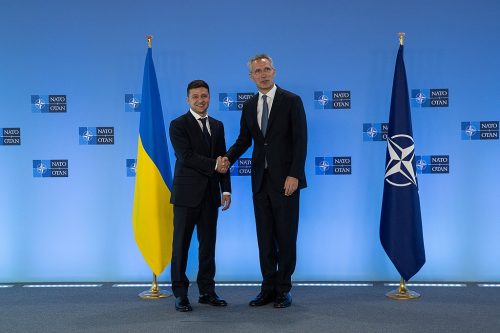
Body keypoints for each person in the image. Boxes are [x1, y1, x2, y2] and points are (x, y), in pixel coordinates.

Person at [224, 54, 307, 308]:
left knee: (286, 237)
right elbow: (244, 141)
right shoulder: (249, 106)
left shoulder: (291, 101)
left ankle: (284, 289)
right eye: (258, 71)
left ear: (275, 71)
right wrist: (226, 159)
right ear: (251, 76)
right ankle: (268, 288)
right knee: (265, 238)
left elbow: (300, 140)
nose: (263, 74)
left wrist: (294, 174)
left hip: (286, 182)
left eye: (267, 69)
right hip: (260, 182)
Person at [169, 80, 231, 312]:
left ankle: (207, 291)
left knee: (208, 246)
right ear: (187, 100)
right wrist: (216, 164)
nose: (200, 100)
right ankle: (180, 294)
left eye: (204, 96)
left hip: (210, 196)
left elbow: (223, 159)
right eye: (195, 96)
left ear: (209, 98)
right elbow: (186, 156)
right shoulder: (178, 125)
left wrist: (226, 189)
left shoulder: (218, 125)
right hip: (186, 196)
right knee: (181, 246)